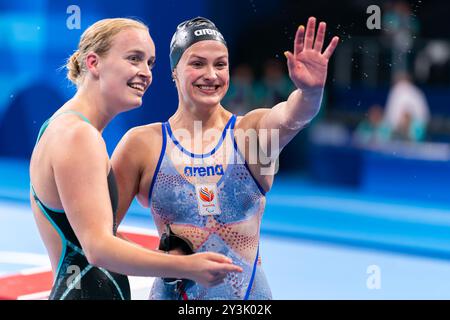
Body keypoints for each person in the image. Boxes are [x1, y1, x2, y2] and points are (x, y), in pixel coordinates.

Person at [111, 16, 339, 300]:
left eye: (220, 64)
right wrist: (170, 264)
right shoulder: (142, 145)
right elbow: (100, 237)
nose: (211, 75)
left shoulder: (251, 133)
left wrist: (310, 92)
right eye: (197, 64)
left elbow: (293, 115)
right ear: (174, 71)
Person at [29, 18, 242, 300]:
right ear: (93, 63)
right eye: (134, 59)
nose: (145, 73)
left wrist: (163, 258)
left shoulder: (63, 126)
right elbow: (98, 248)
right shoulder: (78, 136)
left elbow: (92, 237)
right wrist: (188, 267)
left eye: (150, 63)